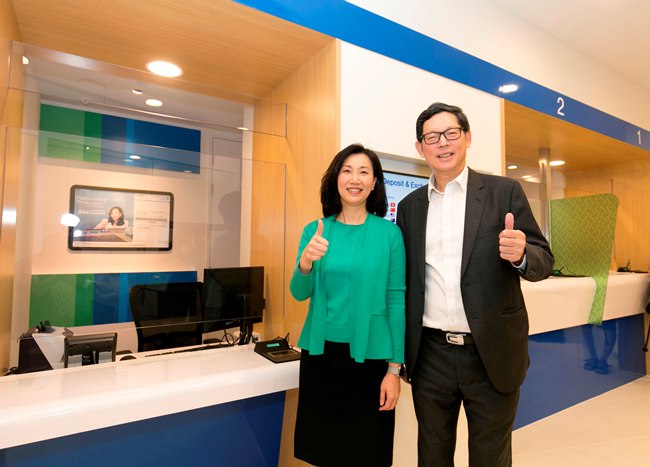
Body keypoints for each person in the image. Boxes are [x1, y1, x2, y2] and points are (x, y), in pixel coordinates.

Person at [396, 102, 554, 467]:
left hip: (491, 353)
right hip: (430, 354)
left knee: (490, 457)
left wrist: (521, 255)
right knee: (432, 455)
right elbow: (406, 282)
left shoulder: (504, 192)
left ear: (467, 138)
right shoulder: (410, 207)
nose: (442, 143)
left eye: (451, 133)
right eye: (431, 137)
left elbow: (543, 261)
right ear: (420, 148)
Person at [290, 143, 406, 466]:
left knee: (368, 453)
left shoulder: (390, 235)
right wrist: (305, 263)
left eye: (364, 172)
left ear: (374, 183)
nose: (355, 179)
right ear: (336, 179)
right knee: (324, 451)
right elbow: (299, 293)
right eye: (347, 170)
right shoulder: (315, 230)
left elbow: (396, 301)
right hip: (320, 357)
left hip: (371, 362)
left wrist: (394, 370)